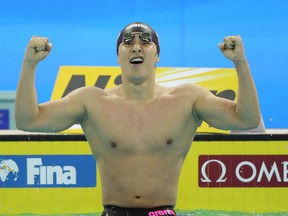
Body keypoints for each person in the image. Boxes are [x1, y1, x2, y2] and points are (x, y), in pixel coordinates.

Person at [15, 22, 260, 216]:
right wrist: (29, 64)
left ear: (157, 56)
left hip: (163, 212)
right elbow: (29, 120)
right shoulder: (90, 100)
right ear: (118, 56)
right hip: (113, 213)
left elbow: (246, 119)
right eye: (127, 42)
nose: (136, 47)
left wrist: (240, 62)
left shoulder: (187, 99)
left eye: (146, 41)